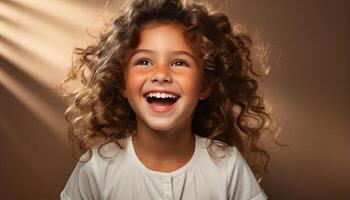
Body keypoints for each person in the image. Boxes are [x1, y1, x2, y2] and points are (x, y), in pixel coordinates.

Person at [60, 0, 276, 199]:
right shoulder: (96, 170)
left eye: (179, 63)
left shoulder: (227, 166)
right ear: (122, 83)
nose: (161, 74)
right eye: (144, 61)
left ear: (205, 85)